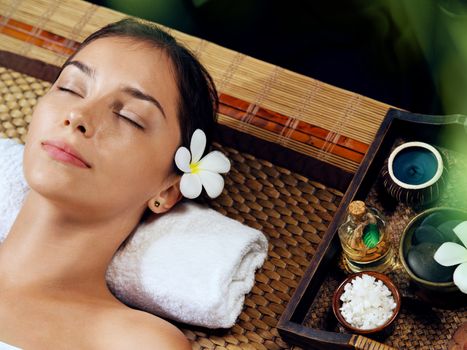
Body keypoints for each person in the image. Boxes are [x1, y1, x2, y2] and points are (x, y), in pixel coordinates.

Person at [0, 18, 220, 349]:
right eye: (70, 88)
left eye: (129, 116)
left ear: (168, 189)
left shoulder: (135, 342)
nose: (78, 116)